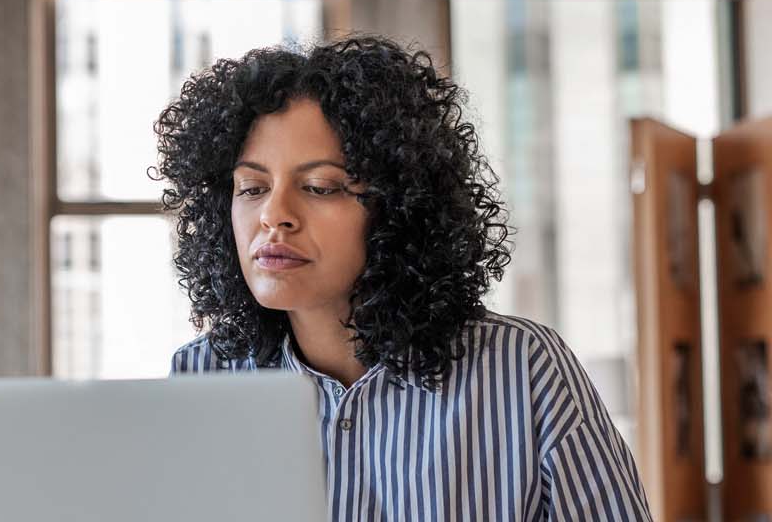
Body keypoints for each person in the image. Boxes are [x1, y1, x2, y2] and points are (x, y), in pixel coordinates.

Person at [156, 36, 651, 521]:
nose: (274, 215)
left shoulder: (524, 371)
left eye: (320, 187)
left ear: (399, 207)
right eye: (252, 188)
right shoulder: (201, 377)